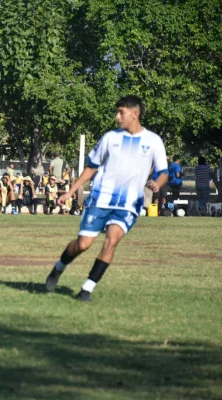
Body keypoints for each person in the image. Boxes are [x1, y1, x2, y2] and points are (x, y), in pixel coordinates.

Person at [45, 95, 168, 302]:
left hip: (129, 204)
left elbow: (163, 172)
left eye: (122, 113)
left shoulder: (153, 141)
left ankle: (86, 289)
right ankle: (59, 268)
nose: (117, 117)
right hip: (100, 199)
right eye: (117, 112)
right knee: (83, 244)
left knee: (112, 241)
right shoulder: (110, 138)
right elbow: (91, 167)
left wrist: (158, 183)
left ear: (135, 114)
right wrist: (70, 191)